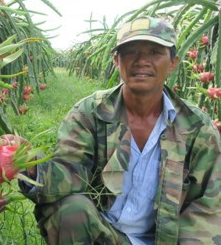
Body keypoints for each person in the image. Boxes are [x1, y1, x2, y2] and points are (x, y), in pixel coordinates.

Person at [18, 16, 221, 244]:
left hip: (164, 240)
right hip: (102, 233)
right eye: (131, 52)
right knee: (71, 210)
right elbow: (71, 170)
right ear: (116, 60)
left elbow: (209, 207)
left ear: (173, 63)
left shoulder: (197, 127)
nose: (142, 61)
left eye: (155, 52)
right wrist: (34, 169)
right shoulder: (90, 114)